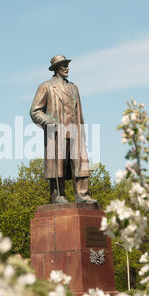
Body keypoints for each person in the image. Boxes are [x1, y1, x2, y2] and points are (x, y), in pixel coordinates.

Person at [30, 54, 97, 204]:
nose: (67, 67)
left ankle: (82, 194)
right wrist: (47, 121)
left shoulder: (74, 88)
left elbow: (79, 112)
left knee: (80, 163)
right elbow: (35, 111)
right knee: (57, 165)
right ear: (55, 69)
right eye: (63, 65)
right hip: (56, 133)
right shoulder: (46, 86)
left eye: (67, 64)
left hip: (75, 131)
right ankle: (57, 196)